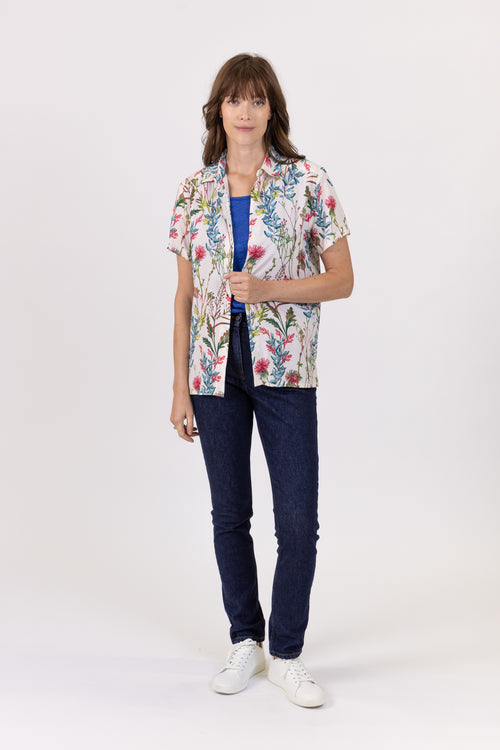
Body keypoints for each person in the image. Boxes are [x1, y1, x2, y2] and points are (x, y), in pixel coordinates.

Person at [167, 53, 353, 708]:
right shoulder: (194, 191)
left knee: (298, 520)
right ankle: (245, 639)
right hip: (213, 369)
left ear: (272, 109)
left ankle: (288, 652)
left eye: (257, 99)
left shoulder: (307, 182)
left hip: (284, 365)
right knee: (230, 514)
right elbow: (185, 298)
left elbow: (342, 279)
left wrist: (270, 289)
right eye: (233, 100)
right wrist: (178, 388)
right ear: (218, 111)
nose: (244, 112)